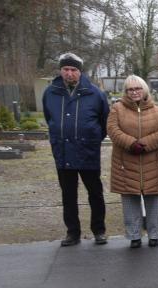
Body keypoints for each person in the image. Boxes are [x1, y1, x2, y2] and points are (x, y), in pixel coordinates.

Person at [42, 52, 110, 246]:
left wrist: (92, 140)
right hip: (63, 152)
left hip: (88, 151)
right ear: (60, 70)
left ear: (80, 71)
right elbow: (49, 118)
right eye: (66, 69)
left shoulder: (95, 93)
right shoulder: (50, 93)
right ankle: (73, 232)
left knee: (95, 193)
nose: (69, 73)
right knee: (68, 195)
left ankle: (99, 230)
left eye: (73, 69)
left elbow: (104, 122)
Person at [106, 74, 158, 248]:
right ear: (126, 92)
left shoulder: (156, 110)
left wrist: (145, 144)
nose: (134, 92)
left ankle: (154, 234)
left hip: (152, 161)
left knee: (153, 199)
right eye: (130, 89)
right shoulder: (117, 109)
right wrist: (131, 143)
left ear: (144, 89)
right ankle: (134, 235)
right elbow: (112, 129)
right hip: (125, 162)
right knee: (130, 199)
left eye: (138, 88)